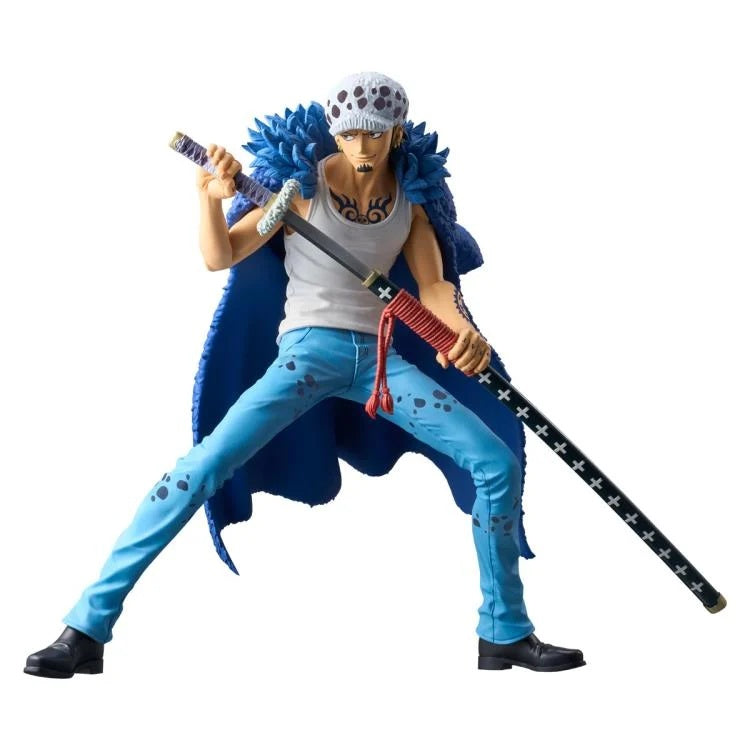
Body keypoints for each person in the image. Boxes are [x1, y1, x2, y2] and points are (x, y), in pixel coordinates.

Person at [25, 72, 584, 677]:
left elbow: (434, 288)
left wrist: (460, 331)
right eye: (349, 134)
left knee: (495, 461)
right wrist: (209, 198)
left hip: (382, 364)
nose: (361, 147)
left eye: (375, 134)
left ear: (397, 134)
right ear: (335, 132)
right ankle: (86, 627)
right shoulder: (297, 190)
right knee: (202, 468)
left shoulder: (411, 201)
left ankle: (504, 631)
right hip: (306, 358)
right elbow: (221, 255)